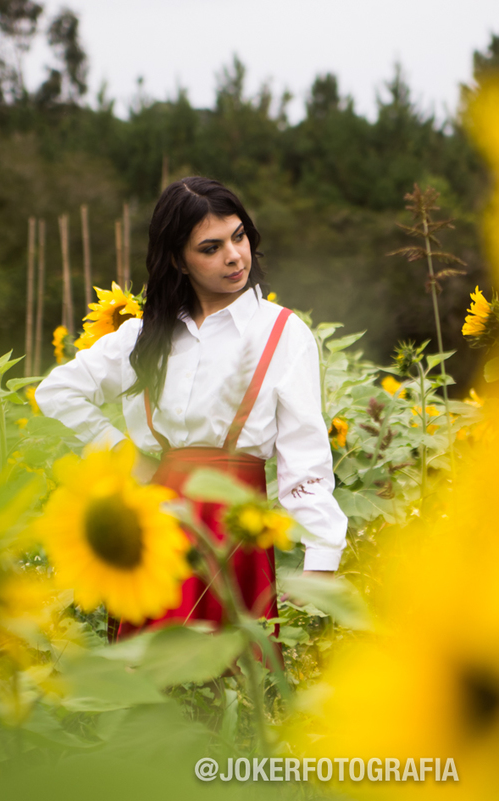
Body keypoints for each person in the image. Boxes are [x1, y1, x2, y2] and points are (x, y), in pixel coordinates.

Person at [35, 176, 347, 641]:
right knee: (149, 682)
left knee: (236, 690)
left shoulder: (283, 333)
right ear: (178, 260)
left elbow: (305, 462)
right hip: (156, 530)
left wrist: (320, 561)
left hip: (235, 531)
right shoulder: (144, 337)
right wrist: (123, 452)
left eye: (239, 236)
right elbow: (56, 393)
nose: (234, 256)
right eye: (211, 247)